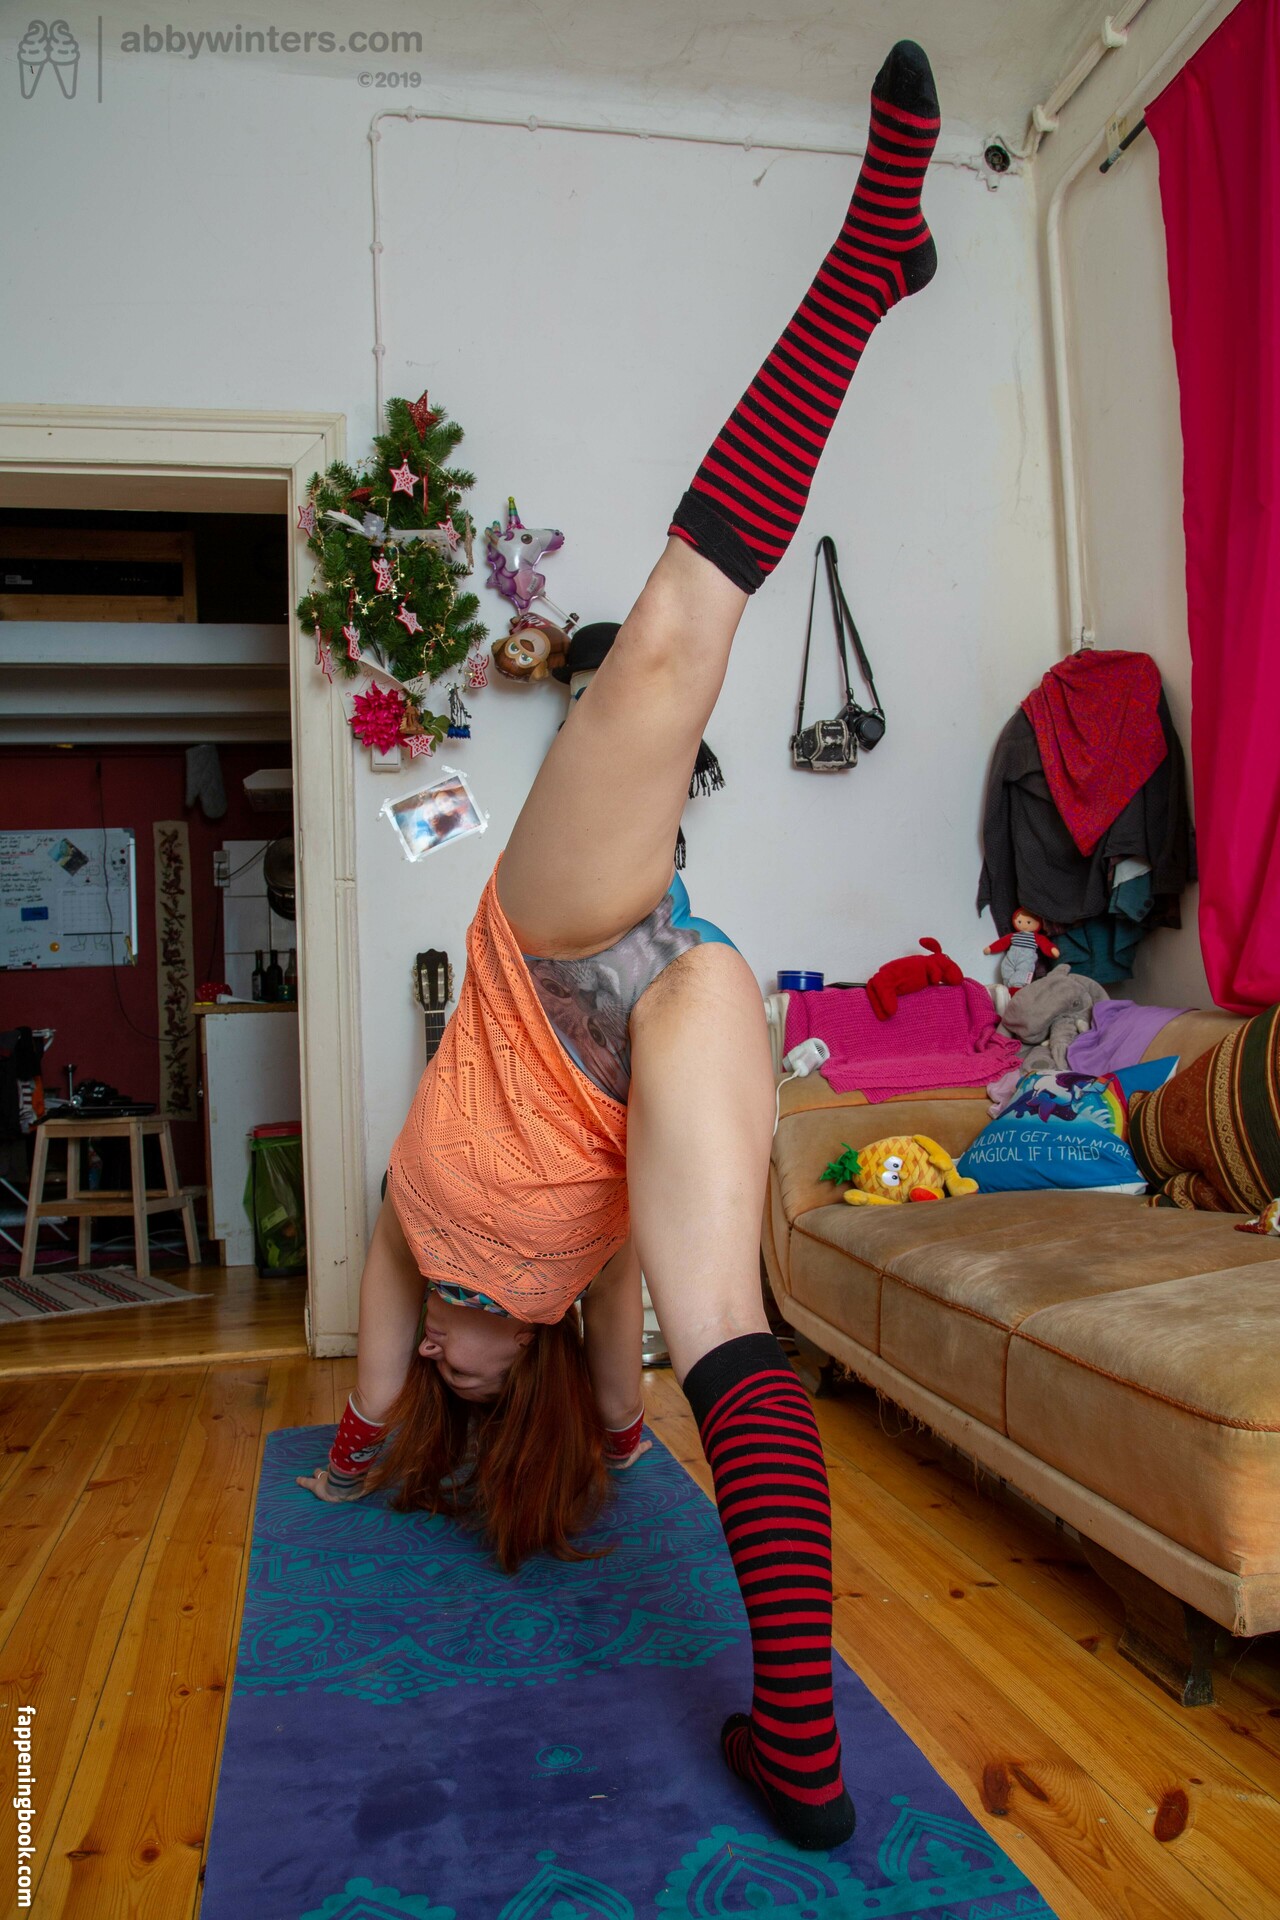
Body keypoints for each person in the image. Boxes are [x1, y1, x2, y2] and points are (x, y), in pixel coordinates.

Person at [297, 40, 940, 1853]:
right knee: (728, 1313)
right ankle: (801, 1750)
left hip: (542, 959)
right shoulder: (573, 1323)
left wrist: (359, 1443)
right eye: (462, 1388)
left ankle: (866, 257)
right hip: (666, 1003)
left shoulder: (416, 1254)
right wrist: (616, 1415)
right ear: (511, 1412)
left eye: (440, 1373)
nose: (451, 1364)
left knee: (664, 636)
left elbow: (374, 1346)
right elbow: (633, 1315)